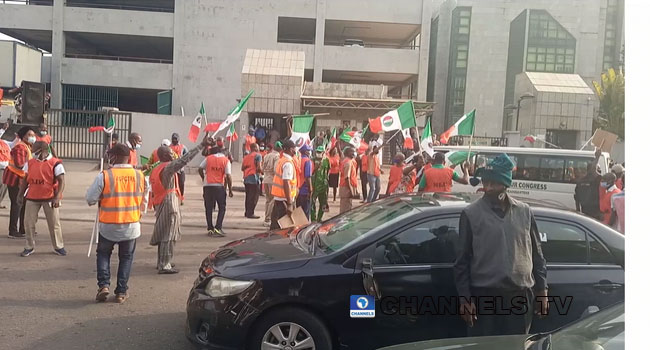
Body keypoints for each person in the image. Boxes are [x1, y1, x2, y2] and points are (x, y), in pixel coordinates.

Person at [454, 153, 548, 336]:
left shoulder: (524, 212)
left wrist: (542, 290)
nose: (488, 188)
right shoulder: (471, 214)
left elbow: (537, 255)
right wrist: (465, 299)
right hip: (484, 297)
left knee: (516, 345)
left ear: (505, 184)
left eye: (493, 183)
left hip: (519, 296)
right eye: (485, 183)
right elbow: (461, 261)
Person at [86, 143, 146, 304]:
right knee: (126, 258)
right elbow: (144, 201)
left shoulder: (105, 175)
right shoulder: (140, 175)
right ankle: (121, 292)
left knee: (104, 254)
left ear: (115, 156)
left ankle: (103, 285)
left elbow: (90, 199)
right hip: (131, 224)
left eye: (110, 155)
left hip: (108, 225)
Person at [149, 134, 211, 274]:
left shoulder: (156, 168)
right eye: (171, 153)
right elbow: (185, 159)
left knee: (164, 233)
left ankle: (162, 262)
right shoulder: (168, 167)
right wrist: (201, 145)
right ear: (165, 155)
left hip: (160, 202)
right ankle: (165, 264)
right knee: (169, 234)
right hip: (169, 203)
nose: (173, 154)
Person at [17, 141, 66, 257]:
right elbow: (25, 180)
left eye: (34, 149)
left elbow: (62, 181)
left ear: (42, 150)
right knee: (28, 223)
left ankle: (58, 246)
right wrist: (20, 194)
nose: (32, 151)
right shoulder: (30, 163)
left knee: (54, 223)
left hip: (49, 197)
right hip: (32, 197)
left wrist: (57, 197)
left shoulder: (55, 163)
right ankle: (29, 247)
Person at [4, 126, 35, 239]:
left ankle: (23, 228)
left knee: (23, 204)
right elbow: (20, 164)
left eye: (33, 135)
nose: (32, 137)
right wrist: (34, 165)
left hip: (22, 179)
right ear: (23, 136)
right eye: (29, 135)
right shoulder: (20, 147)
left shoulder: (27, 146)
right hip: (15, 178)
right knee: (17, 204)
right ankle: (13, 231)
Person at [199, 140, 233, 237]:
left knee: (208, 208)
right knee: (222, 208)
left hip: (207, 186)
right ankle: (218, 228)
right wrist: (230, 189)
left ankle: (210, 228)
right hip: (219, 186)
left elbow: (200, 168)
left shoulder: (208, 158)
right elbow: (228, 176)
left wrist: (203, 178)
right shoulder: (226, 160)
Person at [270, 139, 297, 230]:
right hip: (284, 200)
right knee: (285, 228)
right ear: (290, 149)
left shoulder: (282, 160)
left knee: (275, 225)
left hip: (279, 198)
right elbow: (286, 183)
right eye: (294, 148)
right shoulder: (288, 164)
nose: (295, 150)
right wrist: (289, 203)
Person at [574, 149, 602, 220]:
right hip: (596, 212)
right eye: (598, 169)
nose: (599, 171)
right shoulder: (596, 180)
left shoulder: (580, 181)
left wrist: (578, 211)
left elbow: (576, 198)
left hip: (584, 210)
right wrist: (597, 157)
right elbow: (593, 170)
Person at [262, 141, 282, 226]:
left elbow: (262, 168)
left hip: (265, 179)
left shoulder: (267, 156)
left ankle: (266, 218)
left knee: (267, 200)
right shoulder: (276, 157)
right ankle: (268, 219)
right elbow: (275, 170)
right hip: (272, 180)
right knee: (272, 201)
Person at [242, 143, 263, 219]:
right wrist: (263, 172)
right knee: (254, 197)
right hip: (254, 178)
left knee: (248, 196)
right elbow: (258, 168)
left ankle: (247, 212)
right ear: (255, 148)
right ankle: (251, 213)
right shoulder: (258, 155)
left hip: (246, 178)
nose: (259, 148)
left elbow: (242, 168)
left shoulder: (246, 157)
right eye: (258, 147)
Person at [311, 145, 330, 222]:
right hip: (314, 185)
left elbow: (328, 171)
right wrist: (316, 167)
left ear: (323, 153)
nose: (318, 153)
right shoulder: (312, 160)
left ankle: (319, 218)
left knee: (323, 203)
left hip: (323, 185)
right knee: (312, 203)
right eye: (317, 152)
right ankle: (313, 219)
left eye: (320, 152)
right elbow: (311, 172)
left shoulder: (326, 161)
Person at [169, 133, 189, 200]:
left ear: (178, 139)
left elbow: (187, 155)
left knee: (181, 184)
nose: (174, 140)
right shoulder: (169, 147)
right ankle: (174, 198)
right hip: (172, 170)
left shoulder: (183, 147)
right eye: (173, 139)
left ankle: (181, 197)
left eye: (176, 139)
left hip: (181, 170)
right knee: (172, 185)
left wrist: (184, 162)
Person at [339, 147, 359, 214]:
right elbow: (347, 178)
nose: (353, 153)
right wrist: (351, 190)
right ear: (347, 153)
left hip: (345, 186)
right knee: (346, 210)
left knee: (345, 207)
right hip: (346, 187)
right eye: (351, 152)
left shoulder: (347, 161)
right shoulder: (348, 163)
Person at [296, 144, 313, 219]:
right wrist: (310, 189)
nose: (309, 152)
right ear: (306, 152)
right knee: (305, 212)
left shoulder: (297, 160)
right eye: (308, 151)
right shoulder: (308, 161)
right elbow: (307, 176)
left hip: (297, 189)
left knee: (298, 212)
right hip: (305, 189)